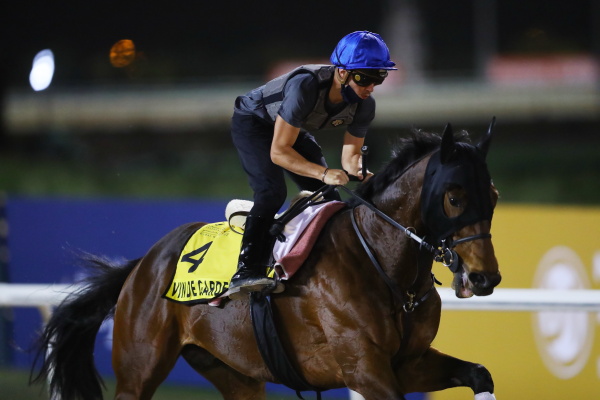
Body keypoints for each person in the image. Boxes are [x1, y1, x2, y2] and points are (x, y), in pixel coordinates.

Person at [228, 30, 397, 298]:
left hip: (292, 128)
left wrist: (360, 172)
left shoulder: (365, 104)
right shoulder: (305, 85)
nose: (371, 87)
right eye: (365, 78)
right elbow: (279, 152)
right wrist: (324, 172)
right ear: (341, 72)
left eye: (380, 77)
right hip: (255, 123)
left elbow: (351, 157)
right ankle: (246, 270)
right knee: (272, 192)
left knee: (329, 202)